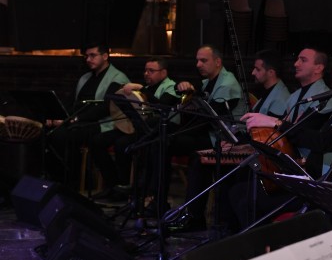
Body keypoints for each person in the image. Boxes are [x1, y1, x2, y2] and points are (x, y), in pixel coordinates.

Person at [233, 48, 332, 228]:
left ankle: (263, 244)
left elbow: (324, 141)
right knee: (241, 190)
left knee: (248, 200)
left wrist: (276, 122)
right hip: (315, 182)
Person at [169, 45, 247, 231]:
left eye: (203, 60)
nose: (198, 64)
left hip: (228, 140)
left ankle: (192, 216)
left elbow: (210, 119)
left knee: (183, 148)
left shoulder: (227, 84)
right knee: (168, 141)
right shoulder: (209, 81)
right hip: (212, 136)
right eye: (197, 60)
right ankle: (188, 214)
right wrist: (184, 88)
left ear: (218, 62)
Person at [89, 57, 179, 200]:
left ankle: (124, 187)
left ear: (163, 72)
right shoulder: (148, 88)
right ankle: (112, 184)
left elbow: (161, 106)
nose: (146, 74)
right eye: (145, 70)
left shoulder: (172, 87)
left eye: (151, 71)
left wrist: (141, 89)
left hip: (157, 131)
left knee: (122, 144)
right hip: (139, 127)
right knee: (97, 141)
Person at [46, 43, 130, 190]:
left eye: (93, 55)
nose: (88, 59)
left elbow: (106, 107)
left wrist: (73, 120)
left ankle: (74, 181)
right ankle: (58, 178)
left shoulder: (118, 77)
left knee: (65, 136)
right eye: (86, 56)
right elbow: (72, 102)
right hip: (79, 121)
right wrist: (59, 117)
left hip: (103, 123)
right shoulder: (85, 77)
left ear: (105, 56)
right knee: (48, 133)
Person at [248, 48, 291, 117]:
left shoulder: (280, 99)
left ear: (271, 72)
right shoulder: (272, 90)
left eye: (258, 69)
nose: (253, 73)